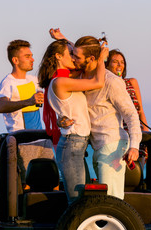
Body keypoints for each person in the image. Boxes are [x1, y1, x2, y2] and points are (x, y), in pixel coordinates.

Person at [38, 39, 108, 203]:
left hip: (77, 144)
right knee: (78, 202)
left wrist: (63, 38)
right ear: (58, 56)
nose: (74, 57)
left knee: (85, 199)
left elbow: (81, 55)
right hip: (71, 144)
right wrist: (101, 58)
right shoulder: (60, 82)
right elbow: (98, 82)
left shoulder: (68, 78)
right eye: (70, 54)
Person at [105, 49, 149, 166]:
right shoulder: (105, 84)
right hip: (117, 136)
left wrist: (146, 134)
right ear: (106, 64)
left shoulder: (131, 82)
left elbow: (140, 111)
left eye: (122, 62)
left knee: (137, 170)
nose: (120, 65)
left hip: (136, 133)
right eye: (115, 61)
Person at [0, 40, 44, 132]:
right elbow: (1, 106)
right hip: (21, 139)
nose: (32, 59)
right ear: (15, 60)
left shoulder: (34, 80)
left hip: (40, 138)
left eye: (31, 56)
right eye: (27, 57)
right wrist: (29, 101)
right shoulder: (8, 82)